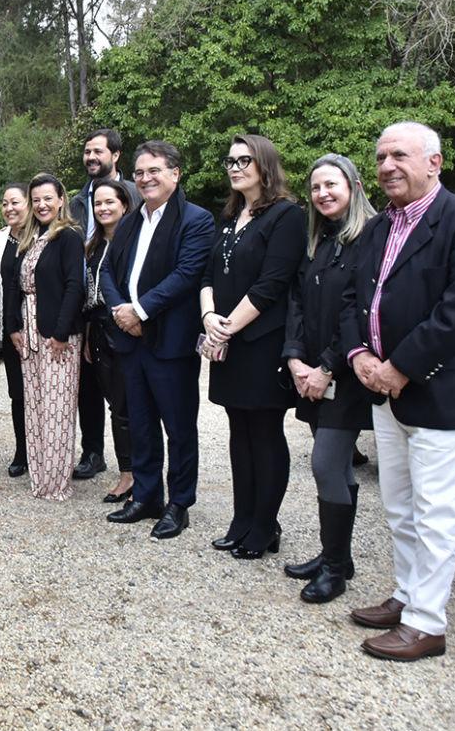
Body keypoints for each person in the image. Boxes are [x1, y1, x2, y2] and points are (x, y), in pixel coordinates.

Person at [342, 122, 455, 662]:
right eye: (381, 156)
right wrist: (360, 355)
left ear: (435, 162)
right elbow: (353, 301)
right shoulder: (378, 229)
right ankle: (408, 597)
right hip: (387, 392)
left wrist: (399, 367)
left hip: (442, 394)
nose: (387, 165)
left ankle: (427, 623)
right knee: (401, 507)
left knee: (437, 514)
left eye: (400, 155)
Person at [199, 135, 306, 558]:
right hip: (226, 342)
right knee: (237, 433)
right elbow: (207, 275)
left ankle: (265, 526)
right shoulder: (227, 217)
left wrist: (225, 329)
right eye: (230, 160)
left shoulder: (286, 216)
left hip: (261, 343)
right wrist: (209, 319)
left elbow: (272, 283)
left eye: (245, 159)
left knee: (264, 433)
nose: (235, 166)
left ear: (265, 165)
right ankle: (241, 519)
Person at [100, 142, 213, 539]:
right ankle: (146, 496)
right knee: (142, 423)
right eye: (140, 172)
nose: (145, 179)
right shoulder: (130, 221)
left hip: (170, 342)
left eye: (154, 171)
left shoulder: (196, 220)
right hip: (131, 340)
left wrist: (140, 310)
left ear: (176, 174)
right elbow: (107, 273)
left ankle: (179, 503)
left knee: (179, 428)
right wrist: (119, 311)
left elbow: (186, 275)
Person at [282, 154, 377, 603]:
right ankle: (336, 554)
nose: (323, 193)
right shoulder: (319, 242)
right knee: (338, 469)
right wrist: (296, 359)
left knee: (325, 464)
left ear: (354, 187)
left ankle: (335, 570)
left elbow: (356, 315)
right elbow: (298, 303)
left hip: (346, 375)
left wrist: (325, 367)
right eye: (316, 187)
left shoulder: (370, 240)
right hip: (313, 372)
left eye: (331, 185)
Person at [4, 173, 85, 501]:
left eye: (47, 198)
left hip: (56, 336)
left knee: (58, 411)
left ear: (61, 199)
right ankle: (39, 477)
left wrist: (61, 332)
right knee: (35, 408)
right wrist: (12, 327)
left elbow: (74, 286)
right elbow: (13, 284)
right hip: (28, 334)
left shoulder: (68, 237)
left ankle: (56, 483)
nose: (41, 205)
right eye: (36, 199)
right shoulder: (28, 236)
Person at [69, 128, 132, 479]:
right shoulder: (77, 200)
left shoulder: (137, 195)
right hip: (86, 311)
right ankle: (93, 453)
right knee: (88, 390)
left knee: (124, 398)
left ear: (115, 155)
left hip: (123, 314)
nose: (91, 157)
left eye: (98, 151)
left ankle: (134, 468)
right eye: (87, 151)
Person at [82, 177, 136, 503]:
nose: (102, 208)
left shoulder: (132, 242)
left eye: (109, 202)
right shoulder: (95, 245)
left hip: (125, 329)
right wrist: (89, 335)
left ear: (124, 205)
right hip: (99, 331)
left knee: (128, 408)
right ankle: (127, 472)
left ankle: (132, 475)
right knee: (116, 407)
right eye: (98, 204)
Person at [0, 184, 30, 477]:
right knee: (18, 395)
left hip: (41, 329)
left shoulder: (44, 236)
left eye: (15, 202)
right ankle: (22, 452)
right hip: (11, 329)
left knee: (45, 396)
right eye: (4, 203)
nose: (9, 208)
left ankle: (46, 452)